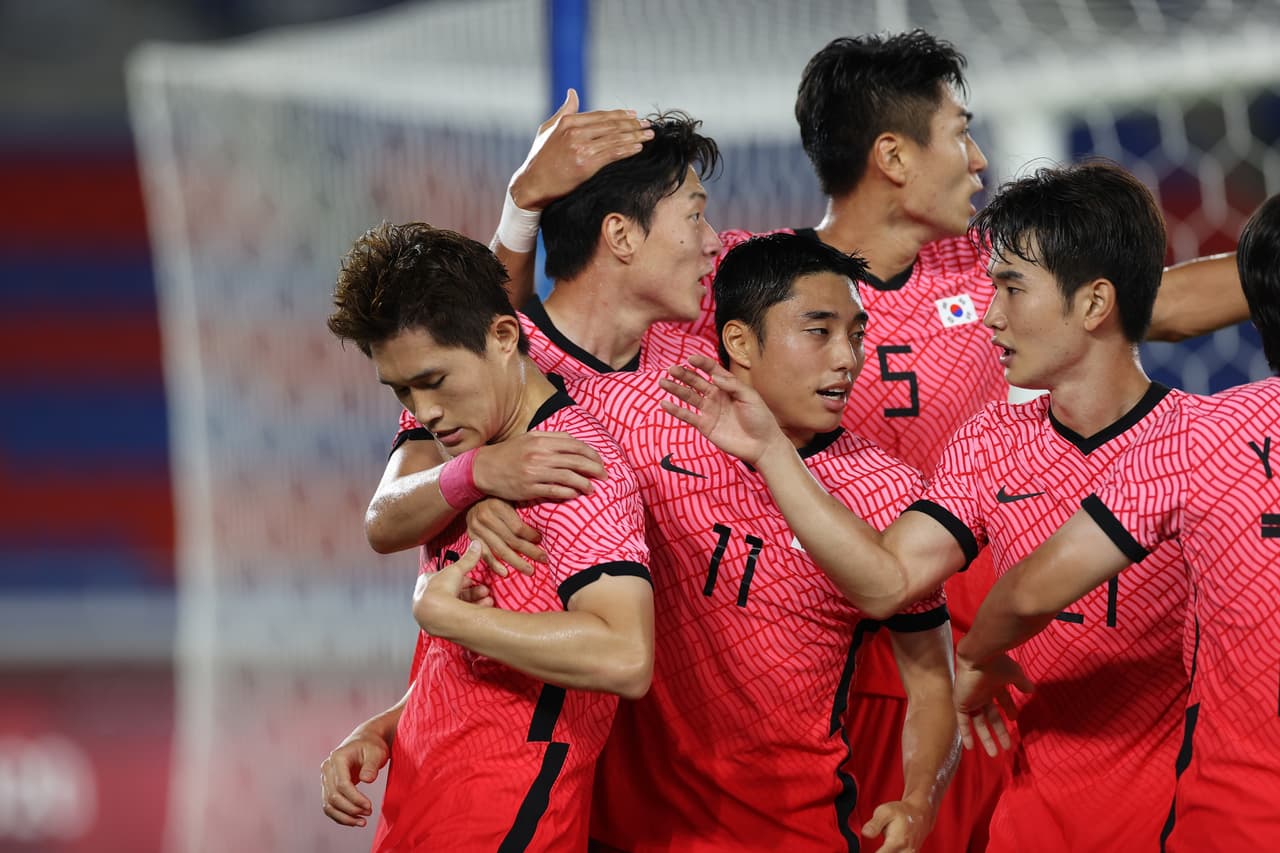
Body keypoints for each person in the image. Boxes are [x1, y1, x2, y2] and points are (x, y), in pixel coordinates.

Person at [490, 32, 1243, 851]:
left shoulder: (982, 268)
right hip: (778, 658)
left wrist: (1265, 269)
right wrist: (521, 211)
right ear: (892, 154)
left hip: (945, 651)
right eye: (960, 131)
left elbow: (1136, 301)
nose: (979, 158)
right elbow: (524, 347)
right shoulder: (744, 278)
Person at [662, 162, 1192, 852]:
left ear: (1094, 305)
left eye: (1011, 287)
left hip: (1189, 819)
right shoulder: (988, 444)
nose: (991, 314)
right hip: (1033, 826)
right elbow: (885, 581)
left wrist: (984, 640)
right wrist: (771, 451)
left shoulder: (1210, 445)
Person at [569, 233, 958, 852]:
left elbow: (934, 682)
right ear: (740, 342)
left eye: (856, 334)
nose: (848, 359)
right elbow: (495, 364)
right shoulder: (644, 422)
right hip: (623, 835)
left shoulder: (889, 494)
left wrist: (919, 800)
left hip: (792, 834)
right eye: (819, 331)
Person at [953, 192, 1280, 850]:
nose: (991, 316)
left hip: (1235, 819)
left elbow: (1025, 593)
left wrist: (978, 656)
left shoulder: (1208, 437)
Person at [317, 223, 655, 851]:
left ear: (503, 337)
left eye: (433, 381)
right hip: (422, 804)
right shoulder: (467, 455)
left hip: (508, 817)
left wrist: (445, 616)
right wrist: (391, 727)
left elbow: (626, 657)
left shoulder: (574, 470)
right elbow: (467, 661)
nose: (424, 412)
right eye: (401, 391)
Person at [367, 110, 722, 571]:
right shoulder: (494, 357)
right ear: (620, 234)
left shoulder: (700, 369)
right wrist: (476, 478)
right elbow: (384, 518)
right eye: (695, 215)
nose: (713, 240)